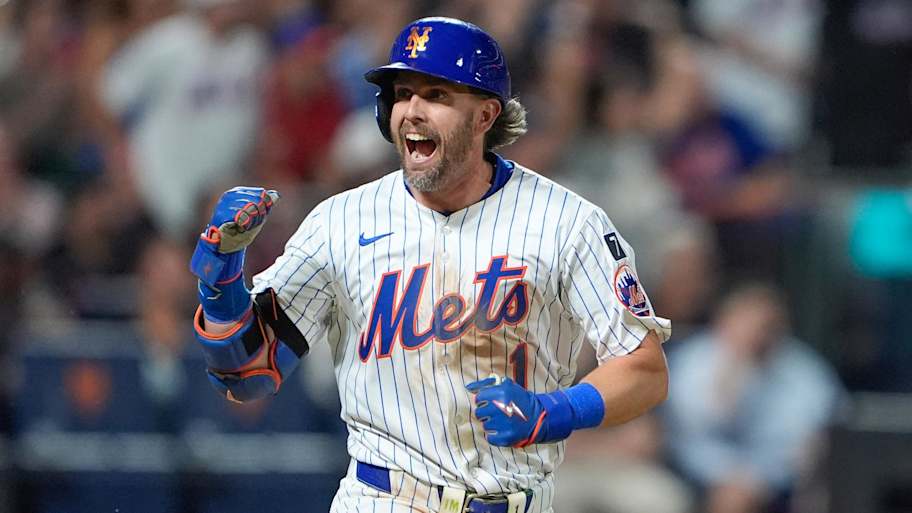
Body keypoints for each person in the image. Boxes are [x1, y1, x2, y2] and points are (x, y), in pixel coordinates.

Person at [188, 17, 671, 513]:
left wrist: (556, 410)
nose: (411, 111)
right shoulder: (341, 221)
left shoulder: (567, 222)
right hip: (382, 498)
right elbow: (247, 376)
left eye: (435, 95)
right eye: (401, 93)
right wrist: (222, 277)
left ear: (485, 116)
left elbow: (644, 368)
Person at [661, 282, 844, 513]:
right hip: (699, 471)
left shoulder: (803, 368)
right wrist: (736, 368)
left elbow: (830, 428)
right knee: (733, 498)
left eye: (768, 326)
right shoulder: (692, 361)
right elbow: (694, 430)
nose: (759, 334)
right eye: (749, 322)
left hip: (780, 477)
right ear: (724, 321)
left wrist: (767, 475)